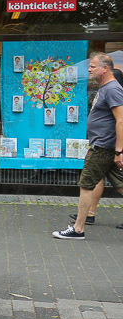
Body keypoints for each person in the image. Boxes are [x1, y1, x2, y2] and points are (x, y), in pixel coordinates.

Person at [53, 53, 123, 240]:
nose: (89, 69)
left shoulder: (112, 89)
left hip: (104, 147)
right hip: (106, 146)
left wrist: (119, 150)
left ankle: (78, 229)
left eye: (93, 66)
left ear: (105, 68)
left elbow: (121, 120)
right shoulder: (106, 88)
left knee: (86, 185)